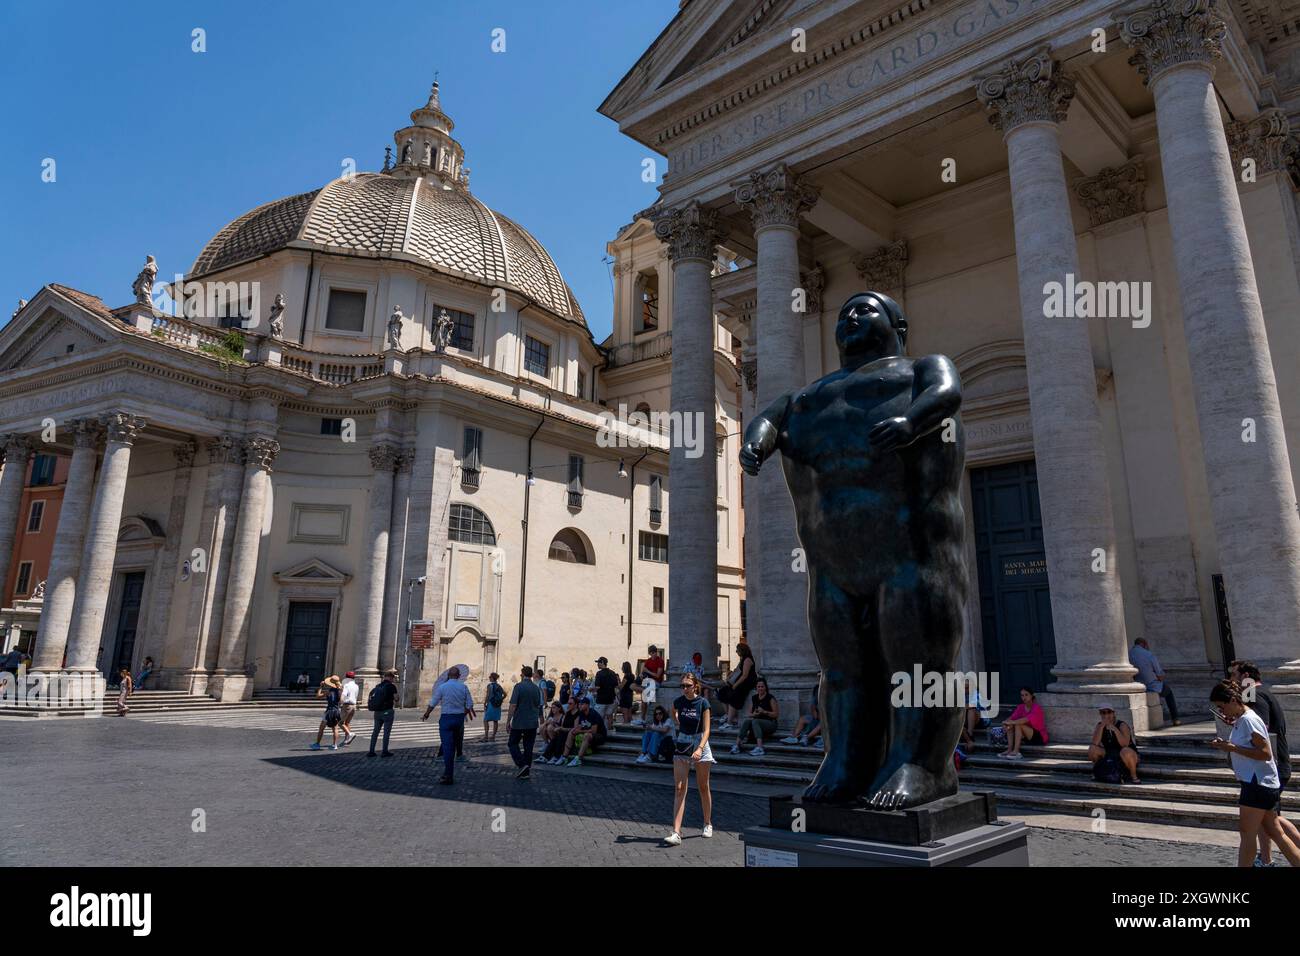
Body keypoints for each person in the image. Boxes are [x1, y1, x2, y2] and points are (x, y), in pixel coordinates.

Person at [1209, 680, 1300, 868]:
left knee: (1248, 833)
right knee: (1275, 832)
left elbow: (1266, 753)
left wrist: (1232, 747)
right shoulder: (1242, 720)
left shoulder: (1249, 720)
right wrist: (1228, 746)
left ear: (1233, 700)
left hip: (1257, 784)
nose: (1221, 711)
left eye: (1221, 706)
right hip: (1260, 783)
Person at [1229, 660, 1297, 866]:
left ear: (1246, 676)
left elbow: (1259, 728)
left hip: (1266, 770)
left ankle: (1266, 860)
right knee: (1271, 820)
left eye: (1235, 675)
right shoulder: (1261, 693)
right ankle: (1265, 859)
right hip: (1272, 766)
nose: (1232, 679)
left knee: (1271, 821)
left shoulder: (1252, 694)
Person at [665, 672, 714, 846]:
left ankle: (707, 823)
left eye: (687, 685)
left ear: (695, 686)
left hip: (700, 742)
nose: (684, 689)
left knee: (703, 786)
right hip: (683, 742)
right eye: (682, 686)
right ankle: (676, 832)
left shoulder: (703, 703)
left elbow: (707, 729)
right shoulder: (678, 702)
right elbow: (673, 712)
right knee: (679, 788)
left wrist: (700, 748)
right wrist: (677, 721)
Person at [422, 667, 476, 784]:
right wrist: (463, 713)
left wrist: (426, 714)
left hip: (446, 718)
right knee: (455, 743)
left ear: (448, 675)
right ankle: (450, 770)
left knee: (447, 747)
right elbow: (470, 704)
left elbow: (433, 702)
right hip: (458, 719)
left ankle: (448, 774)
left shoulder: (443, 687)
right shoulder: (463, 687)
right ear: (459, 675)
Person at [1129, 637, 1180, 726]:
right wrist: (1159, 677)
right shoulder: (1148, 654)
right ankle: (1175, 719)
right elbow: (1160, 674)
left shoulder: (1129, 654)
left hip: (1136, 684)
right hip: (1151, 685)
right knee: (1168, 692)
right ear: (1144, 644)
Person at [507, 665, 544, 780]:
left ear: (522, 674)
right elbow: (538, 704)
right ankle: (526, 771)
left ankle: (522, 764)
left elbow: (513, 705)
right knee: (528, 747)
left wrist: (508, 720)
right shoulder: (536, 688)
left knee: (512, 743)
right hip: (532, 722)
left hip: (519, 722)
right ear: (531, 675)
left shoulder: (518, 687)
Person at [1087, 707, 1140, 783]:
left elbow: (1125, 744)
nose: (1106, 715)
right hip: (1110, 754)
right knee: (1092, 749)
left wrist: (1114, 729)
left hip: (1127, 754)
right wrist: (1101, 727)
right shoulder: (1099, 725)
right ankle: (1097, 771)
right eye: (1103, 712)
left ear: (1113, 713)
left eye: (1109, 712)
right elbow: (1095, 743)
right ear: (1100, 714)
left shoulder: (1122, 725)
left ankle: (1134, 776)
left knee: (1125, 751)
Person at [731, 677, 779, 756]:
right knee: (747, 721)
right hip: (757, 722)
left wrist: (764, 712)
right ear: (756, 688)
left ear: (765, 687)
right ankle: (737, 745)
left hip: (771, 723)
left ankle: (760, 748)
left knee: (755, 721)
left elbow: (776, 714)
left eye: (762, 686)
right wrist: (754, 714)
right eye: (758, 687)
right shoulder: (754, 698)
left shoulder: (770, 698)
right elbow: (749, 713)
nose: (760, 688)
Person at [997, 687, 1048, 760]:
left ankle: (1016, 752)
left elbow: (1025, 720)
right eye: (1022, 695)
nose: (1024, 697)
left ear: (1031, 695)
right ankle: (1009, 749)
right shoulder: (1020, 707)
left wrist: (1012, 722)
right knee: (1010, 724)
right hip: (1026, 737)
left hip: (1039, 737)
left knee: (1018, 724)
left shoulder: (1036, 708)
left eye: (1026, 695)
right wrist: (1005, 722)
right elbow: (1011, 718)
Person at [715, 643, 755, 730]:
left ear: (742, 650)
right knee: (721, 692)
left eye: (737, 650)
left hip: (747, 683)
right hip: (741, 681)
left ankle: (729, 722)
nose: (736, 652)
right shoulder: (742, 659)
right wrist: (729, 677)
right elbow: (737, 670)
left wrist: (735, 685)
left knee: (734, 696)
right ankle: (729, 715)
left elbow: (745, 676)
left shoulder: (747, 660)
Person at [562, 698, 608, 766]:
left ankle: (578, 759)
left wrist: (580, 731)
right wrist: (576, 730)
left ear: (588, 705)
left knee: (587, 735)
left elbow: (593, 731)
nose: (580, 706)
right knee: (571, 732)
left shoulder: (593, 714)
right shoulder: (581, 713)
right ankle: (564, 756)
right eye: (579, 704)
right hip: (587, 733)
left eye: (582, 704)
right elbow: (580, 725)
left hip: (600, 735)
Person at [367, 669, 399, 757]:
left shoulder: (378, 686)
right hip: (387, 711)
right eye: (393, 678)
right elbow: (396, 698)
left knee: (375, 732)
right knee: (386, 732)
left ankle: (371, 751)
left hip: (377, 712)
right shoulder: (391, 686)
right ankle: (384, 751)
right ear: (391, 677)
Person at [311, 675, 344, 750]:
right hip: (337, 711)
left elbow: (318, 696)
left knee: (321, 728)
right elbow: (341, 701)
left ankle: (317, 744)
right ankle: (334, 745)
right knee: (335, 728)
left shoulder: (329, 691)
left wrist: (321, 687)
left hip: (329, 711)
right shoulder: (340, 691)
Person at [635, 645, 666, 726]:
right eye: (650, 654)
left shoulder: (660, 661)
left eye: (653, 653)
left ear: (656, 652)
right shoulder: (648, 661)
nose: (652, 655)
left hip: (656, 682)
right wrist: (642, 674)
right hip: (648, 681)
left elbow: (658, 675)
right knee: (634, 687)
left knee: (646, 697)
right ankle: (642, 718)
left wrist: (647, 671)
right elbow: (643, 671)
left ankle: (644, 717)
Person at [593, 657, 619, 731]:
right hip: (611, 699)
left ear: (602, 662)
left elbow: (597, 687)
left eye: (598, 662)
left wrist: (591, 689)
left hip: (601, 700)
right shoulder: (613, 673)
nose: (597, 664)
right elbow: (616, 686)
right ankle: (609, 732)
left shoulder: (599, 673)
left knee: (598, 718)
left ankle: (599, 733)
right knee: (609, 716)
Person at [483, 672, 505, 741]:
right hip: (497, 705)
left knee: (486, 720)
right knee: (495, 721)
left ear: (492, 678)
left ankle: (486, 736)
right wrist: (500, 700)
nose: (489, 678)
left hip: (491, 704)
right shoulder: (499, 686)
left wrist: (485, 703)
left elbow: (488, 695)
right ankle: (493, 736)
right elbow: (505, 694)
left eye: (490, 677)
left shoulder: (490, 686)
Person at [339, 671, 359, 745]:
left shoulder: (346, 685)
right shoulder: (356, 686)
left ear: (346, 677)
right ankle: (347, 740)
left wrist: (340, 703)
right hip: (353, 705)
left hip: (347, 705)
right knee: (347, 723)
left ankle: (350, 734)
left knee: (340, 722)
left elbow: (343, 695)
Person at [616, 661, 637, 727]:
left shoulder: (626, 676)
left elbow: (621, 687)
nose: (621, 669)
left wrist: (617, 682)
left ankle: (626, 728)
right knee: (630, 714)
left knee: (625, 714)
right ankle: (633, 727)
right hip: (630, 695)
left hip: (624, 696)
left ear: (625, 668)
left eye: (622, 667)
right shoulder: (632, 676)